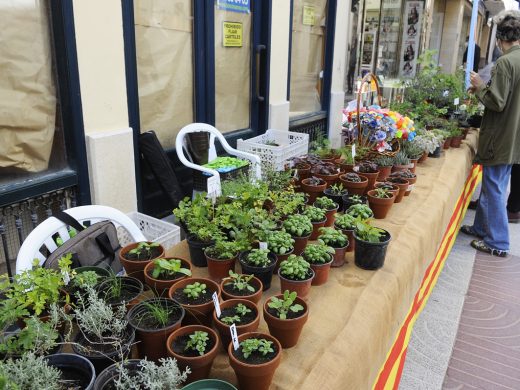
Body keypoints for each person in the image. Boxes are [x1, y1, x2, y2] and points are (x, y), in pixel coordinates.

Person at [460, 10, 520, 257]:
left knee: (494, 186)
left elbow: (497, 102)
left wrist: (479, 86)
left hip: (501, 134)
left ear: (500, 39)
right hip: (513, 135)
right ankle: (482, 227)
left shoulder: (506, 62)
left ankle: (498, 241)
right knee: (495, 183)